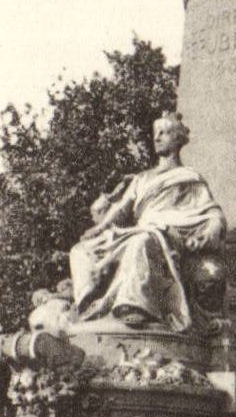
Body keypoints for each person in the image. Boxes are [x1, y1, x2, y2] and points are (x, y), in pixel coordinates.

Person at [68, 112, 225, 329]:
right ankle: (87, 305)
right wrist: (100, 227)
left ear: (178, 139)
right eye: (155, 133)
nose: (157, 137)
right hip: (138, 231)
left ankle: (134, 306)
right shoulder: (142, 178)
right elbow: (121, 208)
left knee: (141, 241)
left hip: (165, 233)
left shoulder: (189, 177)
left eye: (164, 132)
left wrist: (209, 233)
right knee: (81, 250)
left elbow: (211, 211)